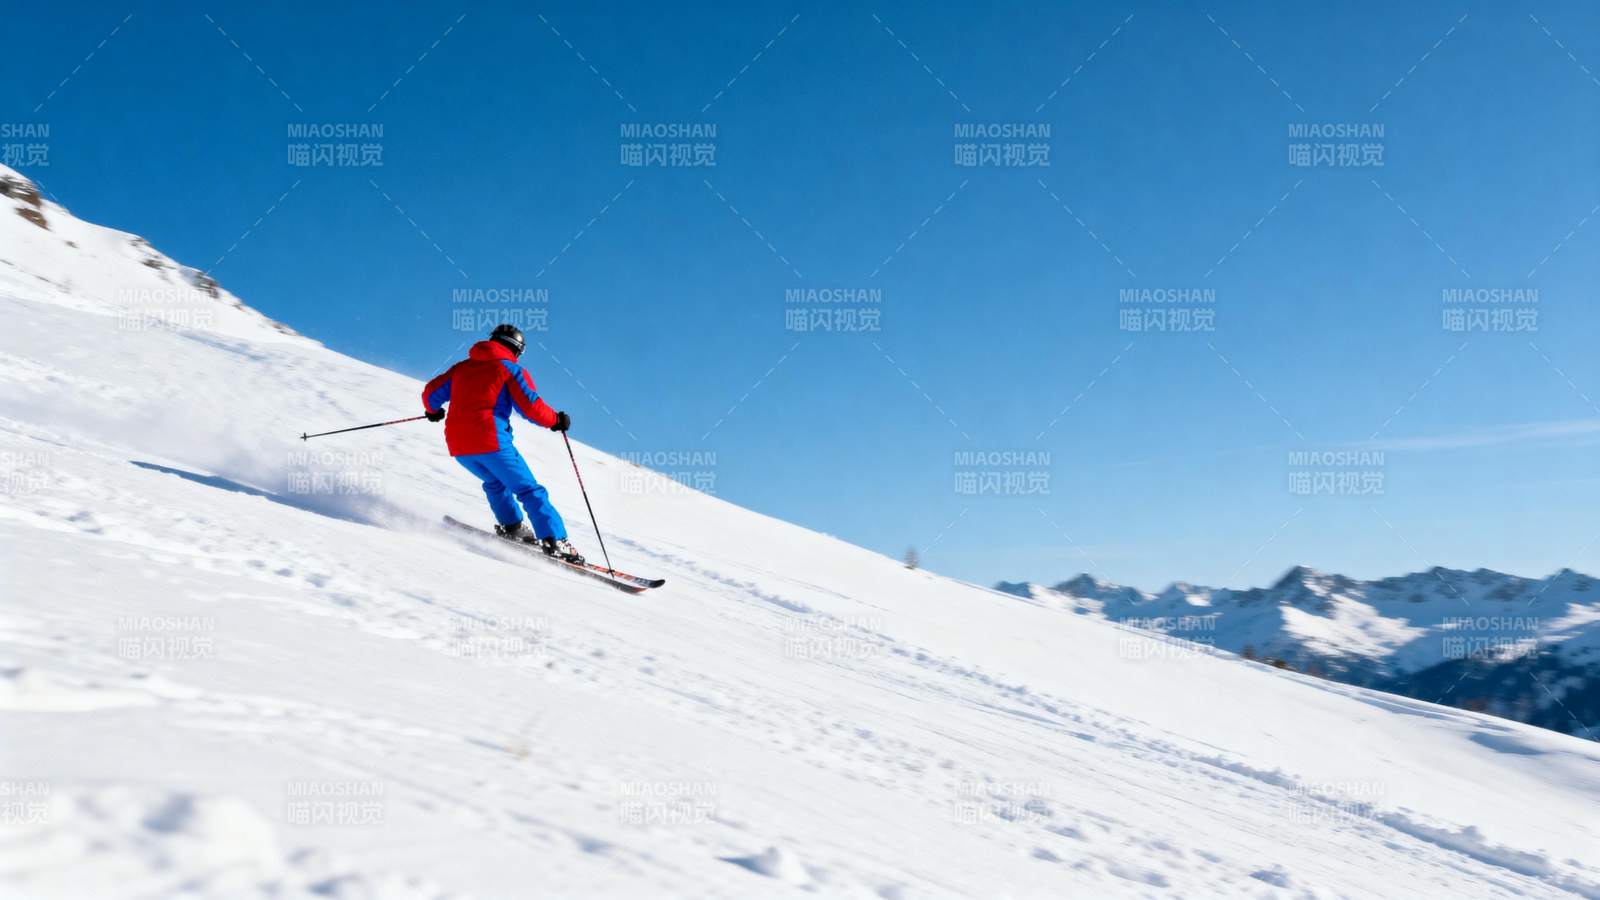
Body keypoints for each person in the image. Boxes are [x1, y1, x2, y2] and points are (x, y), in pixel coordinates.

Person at [422, 324, 584, 563]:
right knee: (529, 490)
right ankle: (555, 540)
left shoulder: (462, 368)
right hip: (492, 442)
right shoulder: (510, 369)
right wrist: (556, 420)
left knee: (495, 482)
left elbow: (430, 393)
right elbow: (531, 407)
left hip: (459, 446)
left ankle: (512, 526)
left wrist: (433, 411)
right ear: (517, 349)